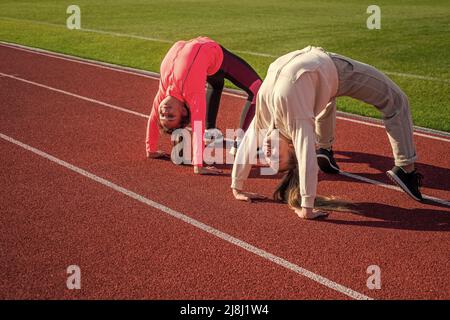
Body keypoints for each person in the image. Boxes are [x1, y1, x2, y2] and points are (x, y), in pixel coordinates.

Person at [231, 46, 423, 219]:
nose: (266, 151)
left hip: (314, 81)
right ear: (292, 147)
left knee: (323, 101)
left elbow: (248, 140)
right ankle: (406, 169)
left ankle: (325, 149)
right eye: (275, 156)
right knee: (397, 101)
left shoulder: (267, 118)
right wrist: (307, 206)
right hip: (337, 73)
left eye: (267, 157)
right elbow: (306, 156)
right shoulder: (296, 120)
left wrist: (237, 186)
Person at [146, 36, 262, 174]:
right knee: (257, 89)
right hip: (217, 59)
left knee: (216, 83)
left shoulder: (164, 91)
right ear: (183, 111)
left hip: (205, 61)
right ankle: (241, 144)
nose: (164, 111)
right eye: (170, 116)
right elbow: (197, 126)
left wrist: (150, 149)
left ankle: (210, 131)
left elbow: (153, 118)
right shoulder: (192, 91)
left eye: (163, 115)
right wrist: (198, 165)